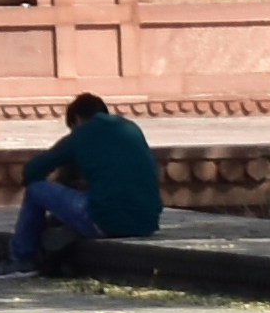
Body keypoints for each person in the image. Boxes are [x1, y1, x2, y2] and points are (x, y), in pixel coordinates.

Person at [11, 88, 159, 273]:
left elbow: (31, 172)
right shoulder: (130, 128)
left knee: (36, 190)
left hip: (107, 220)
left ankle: (22, 259)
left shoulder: (82, 134)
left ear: (78, 119)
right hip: (146, 222)